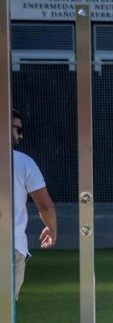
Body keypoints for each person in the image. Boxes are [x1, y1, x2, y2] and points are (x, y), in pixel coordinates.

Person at [11, 109, 57, 299]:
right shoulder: (23, 163)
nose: (21, 135)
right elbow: (45, 206)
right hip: (10, 246)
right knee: (5, 316)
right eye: (17, 129)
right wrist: (51, 229)